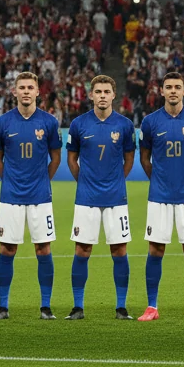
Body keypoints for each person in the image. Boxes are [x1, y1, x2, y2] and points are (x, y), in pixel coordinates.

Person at [0, 72, 63, 320]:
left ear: (38, 92)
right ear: (14, 92)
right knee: (7, 248)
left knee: (43, 249)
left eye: (30, 87)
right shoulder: (2, 123)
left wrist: (42, 180)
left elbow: (56, 158)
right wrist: (10, 179)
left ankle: (45, 307)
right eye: (21, 87)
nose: (26, 91)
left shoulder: (49, 122)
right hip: (11, 196)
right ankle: (2, 306)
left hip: (40, 196)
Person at [139, 72, 184, 321]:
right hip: (159, 196)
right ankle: (151, 307)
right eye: (168, 87)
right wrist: (157, 179)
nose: (172, 91)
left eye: (177, 87)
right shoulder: (149, 122)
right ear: (161, 91)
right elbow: (144, 158)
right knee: (155, 249)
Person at [66, 75, 137, 320]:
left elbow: (129, 159)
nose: (103, 96)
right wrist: (85, 181)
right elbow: (71, 159)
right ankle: (77, 307)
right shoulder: (78, 124)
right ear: (91, 95)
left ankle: (121, 307)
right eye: (98, 91)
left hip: (116, 198)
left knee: (119, 250)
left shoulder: (125, 125)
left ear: (114, 95)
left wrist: (116, 180)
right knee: (82, 249)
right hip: (86, 197)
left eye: (107, 91)